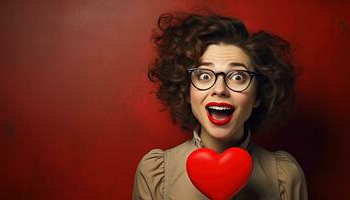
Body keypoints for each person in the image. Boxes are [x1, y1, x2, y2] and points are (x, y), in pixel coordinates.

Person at [132, 12, 308, 200]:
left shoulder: (285, 177)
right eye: (204, 75)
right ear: (187, 91)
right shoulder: (156, 175)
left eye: (238, 77)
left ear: (258, 95)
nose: (220, 89)